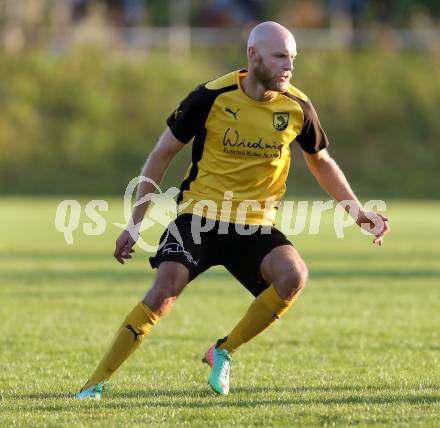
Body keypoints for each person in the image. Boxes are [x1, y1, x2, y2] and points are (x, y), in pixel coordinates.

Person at [76, 21, 389, 399]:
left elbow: (319, 160)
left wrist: (356, 212)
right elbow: (162, 155)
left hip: (254, 227)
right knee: (162, 294)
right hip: (198, 219)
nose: (288, 66)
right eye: (279, 57)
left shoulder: (297, 107)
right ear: (252, 55)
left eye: (292, 58)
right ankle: (93, 386)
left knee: (293, 276)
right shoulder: (210, 97)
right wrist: (134, 224)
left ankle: (223, 350)